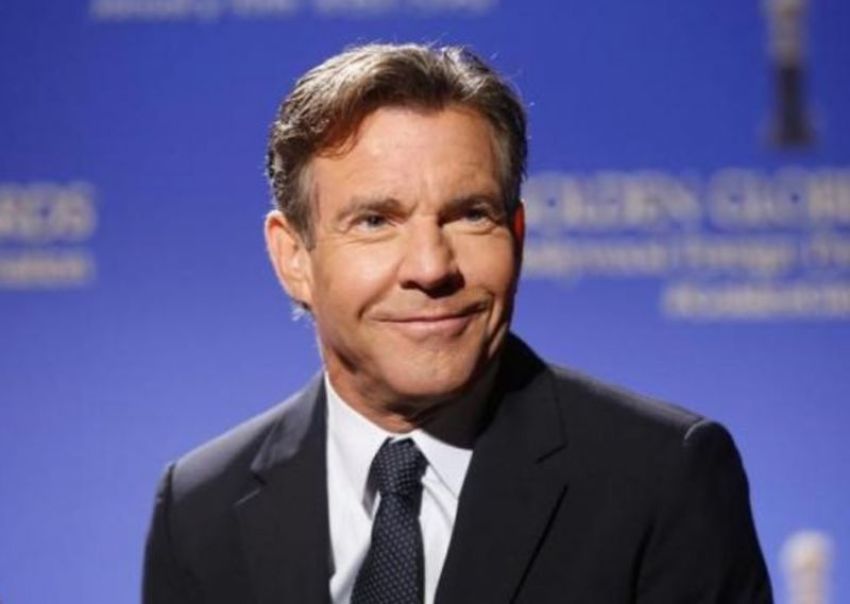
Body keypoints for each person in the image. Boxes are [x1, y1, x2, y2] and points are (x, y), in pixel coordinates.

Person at [143, 43, 772, 603]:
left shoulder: (660, 480)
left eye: (471, 215)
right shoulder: (199, 508)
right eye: (375, 221)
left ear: (516, 235)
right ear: (293, 258)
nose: (431, 266)